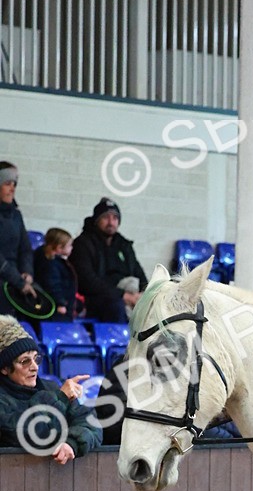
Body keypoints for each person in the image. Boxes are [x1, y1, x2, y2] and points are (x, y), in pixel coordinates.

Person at [0, 316, 101, 461]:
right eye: (25, 361)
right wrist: (60, 398)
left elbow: (90, 423)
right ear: (4, 368)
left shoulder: (51, 387)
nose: (35, 367)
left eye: (36, 358)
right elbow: (27, 432)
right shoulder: (57, 395)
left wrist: (72, 443)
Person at [70, 197, 147, 322]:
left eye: (115, 218)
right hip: (95, 298)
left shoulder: (124, 245)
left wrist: (144, 294)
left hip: (126, 293)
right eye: (106, 217)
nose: (111, 222)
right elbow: (87, 281)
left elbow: (138, 272)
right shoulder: (83, 244)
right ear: (96, 220)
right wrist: (122, 295)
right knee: (116, 305)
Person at [0, 162, 35, 314]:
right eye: (7, 184)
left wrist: (27, 272)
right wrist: (18, 281)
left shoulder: (16, 215)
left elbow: (25, 248)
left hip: (15, 281)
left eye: (14, 184)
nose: (12, 189)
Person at [33, 227, 78, 318]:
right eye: (70, 245)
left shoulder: (52, 261)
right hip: (56, 309)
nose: (72, 248)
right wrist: (60, 303)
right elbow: (53, 285)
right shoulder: (52, 264)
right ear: (59, 247)